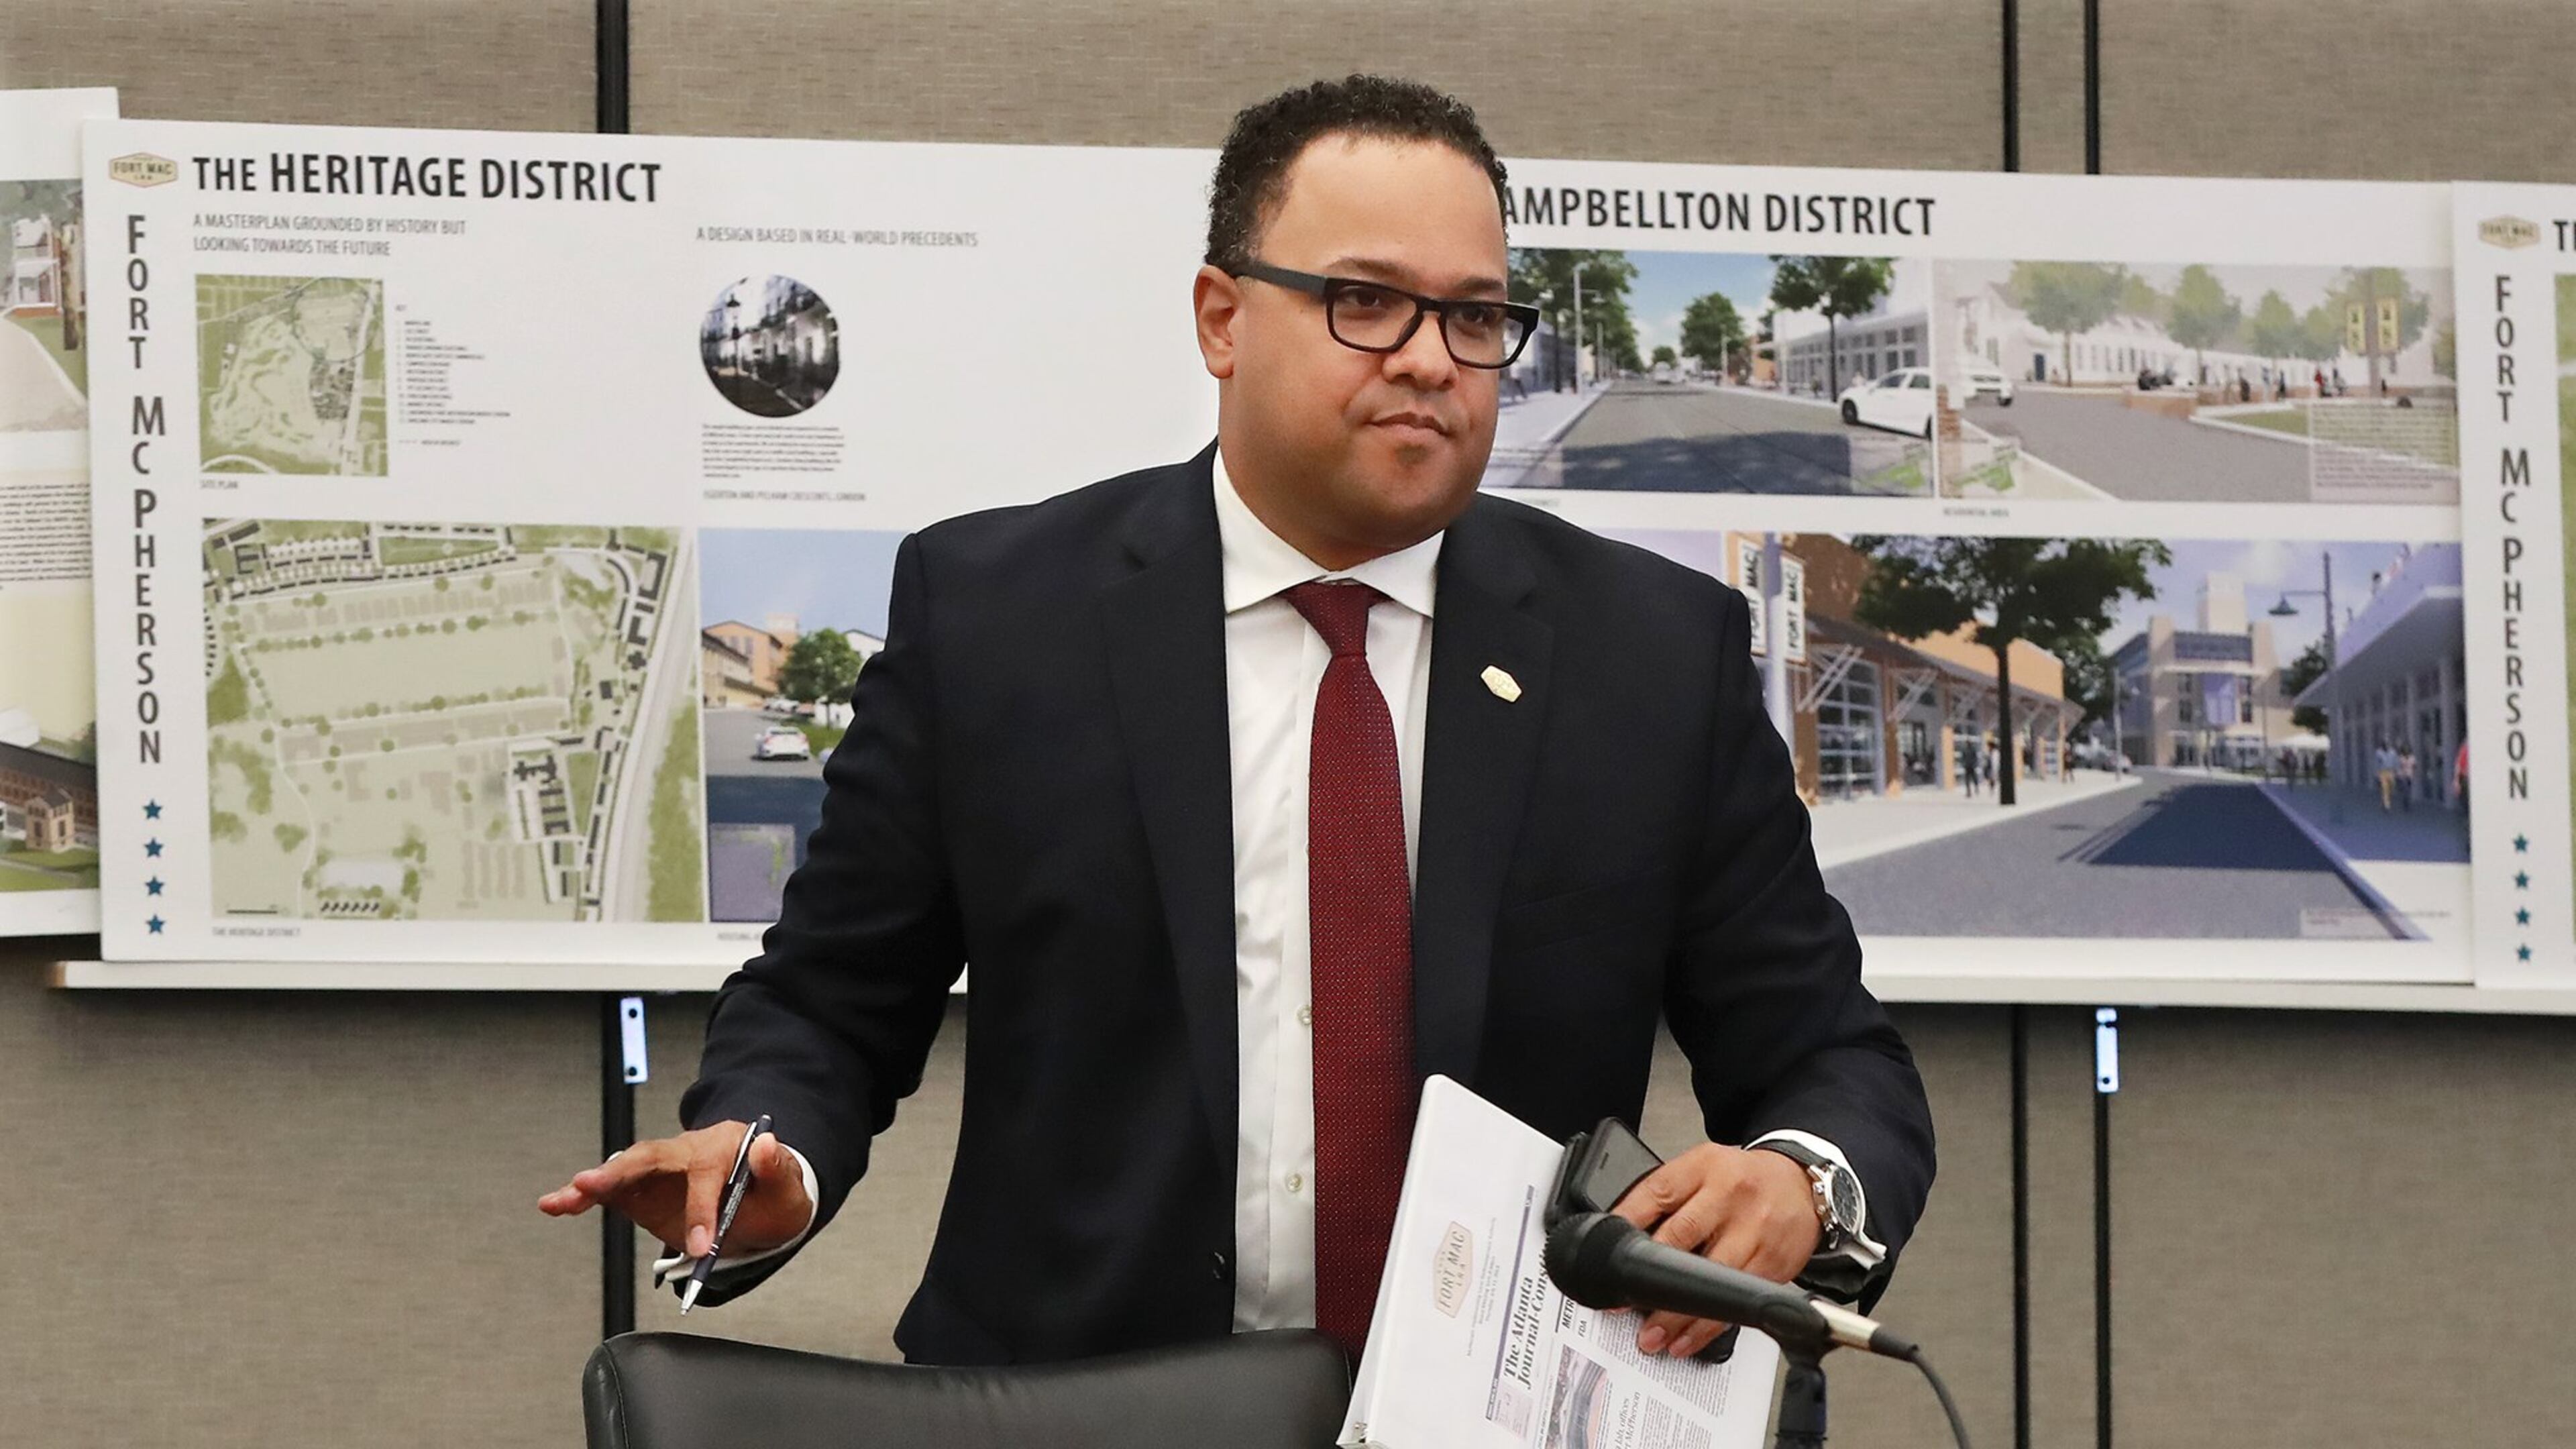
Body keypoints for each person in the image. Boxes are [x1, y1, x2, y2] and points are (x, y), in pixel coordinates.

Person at [539, 76, 1935, 1367]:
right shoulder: (998, 616)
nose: (1431, 361)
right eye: (1366, 302)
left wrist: (1800, 1182)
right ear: (1221, 317)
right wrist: (770, 1156)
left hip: (1503, 1402)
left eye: (1474, 318)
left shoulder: (1652, 655)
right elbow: (831, 1000)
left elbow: (1826, 1053)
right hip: (1079, 1406)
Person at [2375, 739, 2398, 812]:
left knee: (2392, 786)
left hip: (2391, 771)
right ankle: (2387, 806)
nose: (2386, 747)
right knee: (2385, 788)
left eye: (2387, 745)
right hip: (2383, 772)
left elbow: (2396, 761)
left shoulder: (2393, 752)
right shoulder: (2379, 753)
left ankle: (2384, 800)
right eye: (2384, 746)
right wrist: (2377, 773)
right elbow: (2377, 763)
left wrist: (2397, 771)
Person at [2396, 744, 2417, 812]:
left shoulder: (2412, 758)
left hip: (2409, 775)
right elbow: (2398, 766)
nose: (2406, 751)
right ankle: (2405, 803)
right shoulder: (2401, 758)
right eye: (2405, 750)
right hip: (2402, 775)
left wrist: (2413, 769)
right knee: (2406, 789)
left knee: (2408, 790)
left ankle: (2406, 800)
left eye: (2407, 750)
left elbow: (2414, 766)